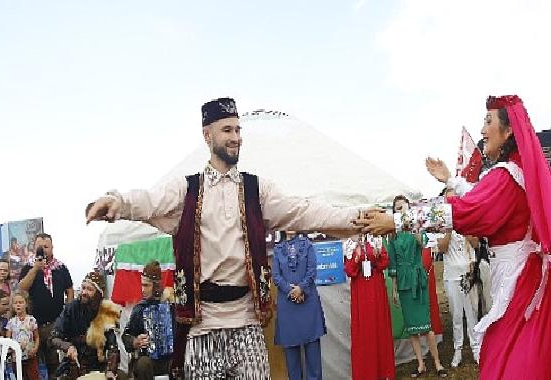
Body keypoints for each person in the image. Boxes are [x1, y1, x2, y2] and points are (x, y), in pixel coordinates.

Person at [357, 95, 551, 379]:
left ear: (509, 131)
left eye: (488, 121)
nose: (481, 130)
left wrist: (396, 220)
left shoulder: (506, 175)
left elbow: (466, 211)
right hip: (526, 274)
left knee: (513, 359)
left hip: (518, 280)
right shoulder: (520, 172)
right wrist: (451, 181)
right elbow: (481, 196)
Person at [85, 97, 361, 379]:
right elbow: (149, 201)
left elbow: (303, 211)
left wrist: (359, 219)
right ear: (208, 135)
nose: (236, 137)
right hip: (203, 325)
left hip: (247, 323)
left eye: (238, 130)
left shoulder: (256, 189)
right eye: (227, 130)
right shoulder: (187, 189)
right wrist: (116, 201)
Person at [387, 195, 447, 378]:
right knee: (411, 327)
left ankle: (437, 362)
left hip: (417, 278)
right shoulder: (393, 235)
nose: (401, 210)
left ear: (409, 209)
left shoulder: (418, 227)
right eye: (397, 208)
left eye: (403, 207)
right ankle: (420, 364)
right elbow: (394, 264)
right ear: (394, 212)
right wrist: (395, 289)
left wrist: (414, 228)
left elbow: (424, 244)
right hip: (403, 282)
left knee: (426, 325)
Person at [18, 233, 74, 379]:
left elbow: (70, 290)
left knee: (54, 363)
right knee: (32, 364)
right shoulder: (28, 267)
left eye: (46, 246)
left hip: (55, 323)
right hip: (33, 325)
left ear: (52, 247)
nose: (43, 249)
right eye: (39, 247)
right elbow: (22, 287)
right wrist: (36, 268)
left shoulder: (61, 267)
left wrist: (67, 312)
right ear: (34, 248)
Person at [51, 271, 125, 379]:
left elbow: (113, 347)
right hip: (75, 363)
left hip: (100, 364)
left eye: (89, 289)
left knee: (121, 376)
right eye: (83, 288)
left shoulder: (106, 311)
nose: (84, 292)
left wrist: (110, 370)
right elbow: (54, 337)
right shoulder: (71, 308)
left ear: (98, 294)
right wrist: (68, 347)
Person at [272, 234, 326, 380]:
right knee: (291, 358)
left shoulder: (307, 245)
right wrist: (292, 292)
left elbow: (312, 271)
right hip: (287, 306)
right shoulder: (278, 249)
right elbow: (276, 276)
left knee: (313, 356)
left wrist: (301, 289)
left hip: (308, 303)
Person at [344, 237, 395, 380]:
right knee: (364, 330)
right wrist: (357, 258)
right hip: (360, 289)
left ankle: (384, 372)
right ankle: (365, 374)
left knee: (380, 326)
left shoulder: (376, 240)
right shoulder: (350, 243)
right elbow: (349, 270)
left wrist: (378, 255)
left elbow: (385, 263)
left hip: (376, 285)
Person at [122, 261, 173, 379]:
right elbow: (126, 335)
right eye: (142, 285)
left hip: (169, 359)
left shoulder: (171, 306)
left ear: (156, 286)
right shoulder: (140, 308)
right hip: (148, 359)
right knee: (143, 364)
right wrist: (135, 341)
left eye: (146, 285)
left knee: (179, 362)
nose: (142, 289)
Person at [436, 230, 479, 367]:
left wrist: (465, 231)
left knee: (472, 313)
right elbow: (442, 248)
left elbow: (476, 244)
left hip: (468, 275)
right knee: (456, 315)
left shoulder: (468, 223)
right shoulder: (443, 227)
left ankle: (476, 347)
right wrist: (449, 230)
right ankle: (458, 348)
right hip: (451, 277)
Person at [6, 291, 40, 380]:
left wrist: (35, 349)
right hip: (16, 358)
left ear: (26, 304)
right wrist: (12, 349)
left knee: (33, 376)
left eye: (20, 302)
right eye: (15, 303)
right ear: (12, 306)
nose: (18, 305)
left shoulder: (32, 320)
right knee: (19, 377)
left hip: (30, 356)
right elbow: (8, 340)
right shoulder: (11, 322)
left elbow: (36, 337)